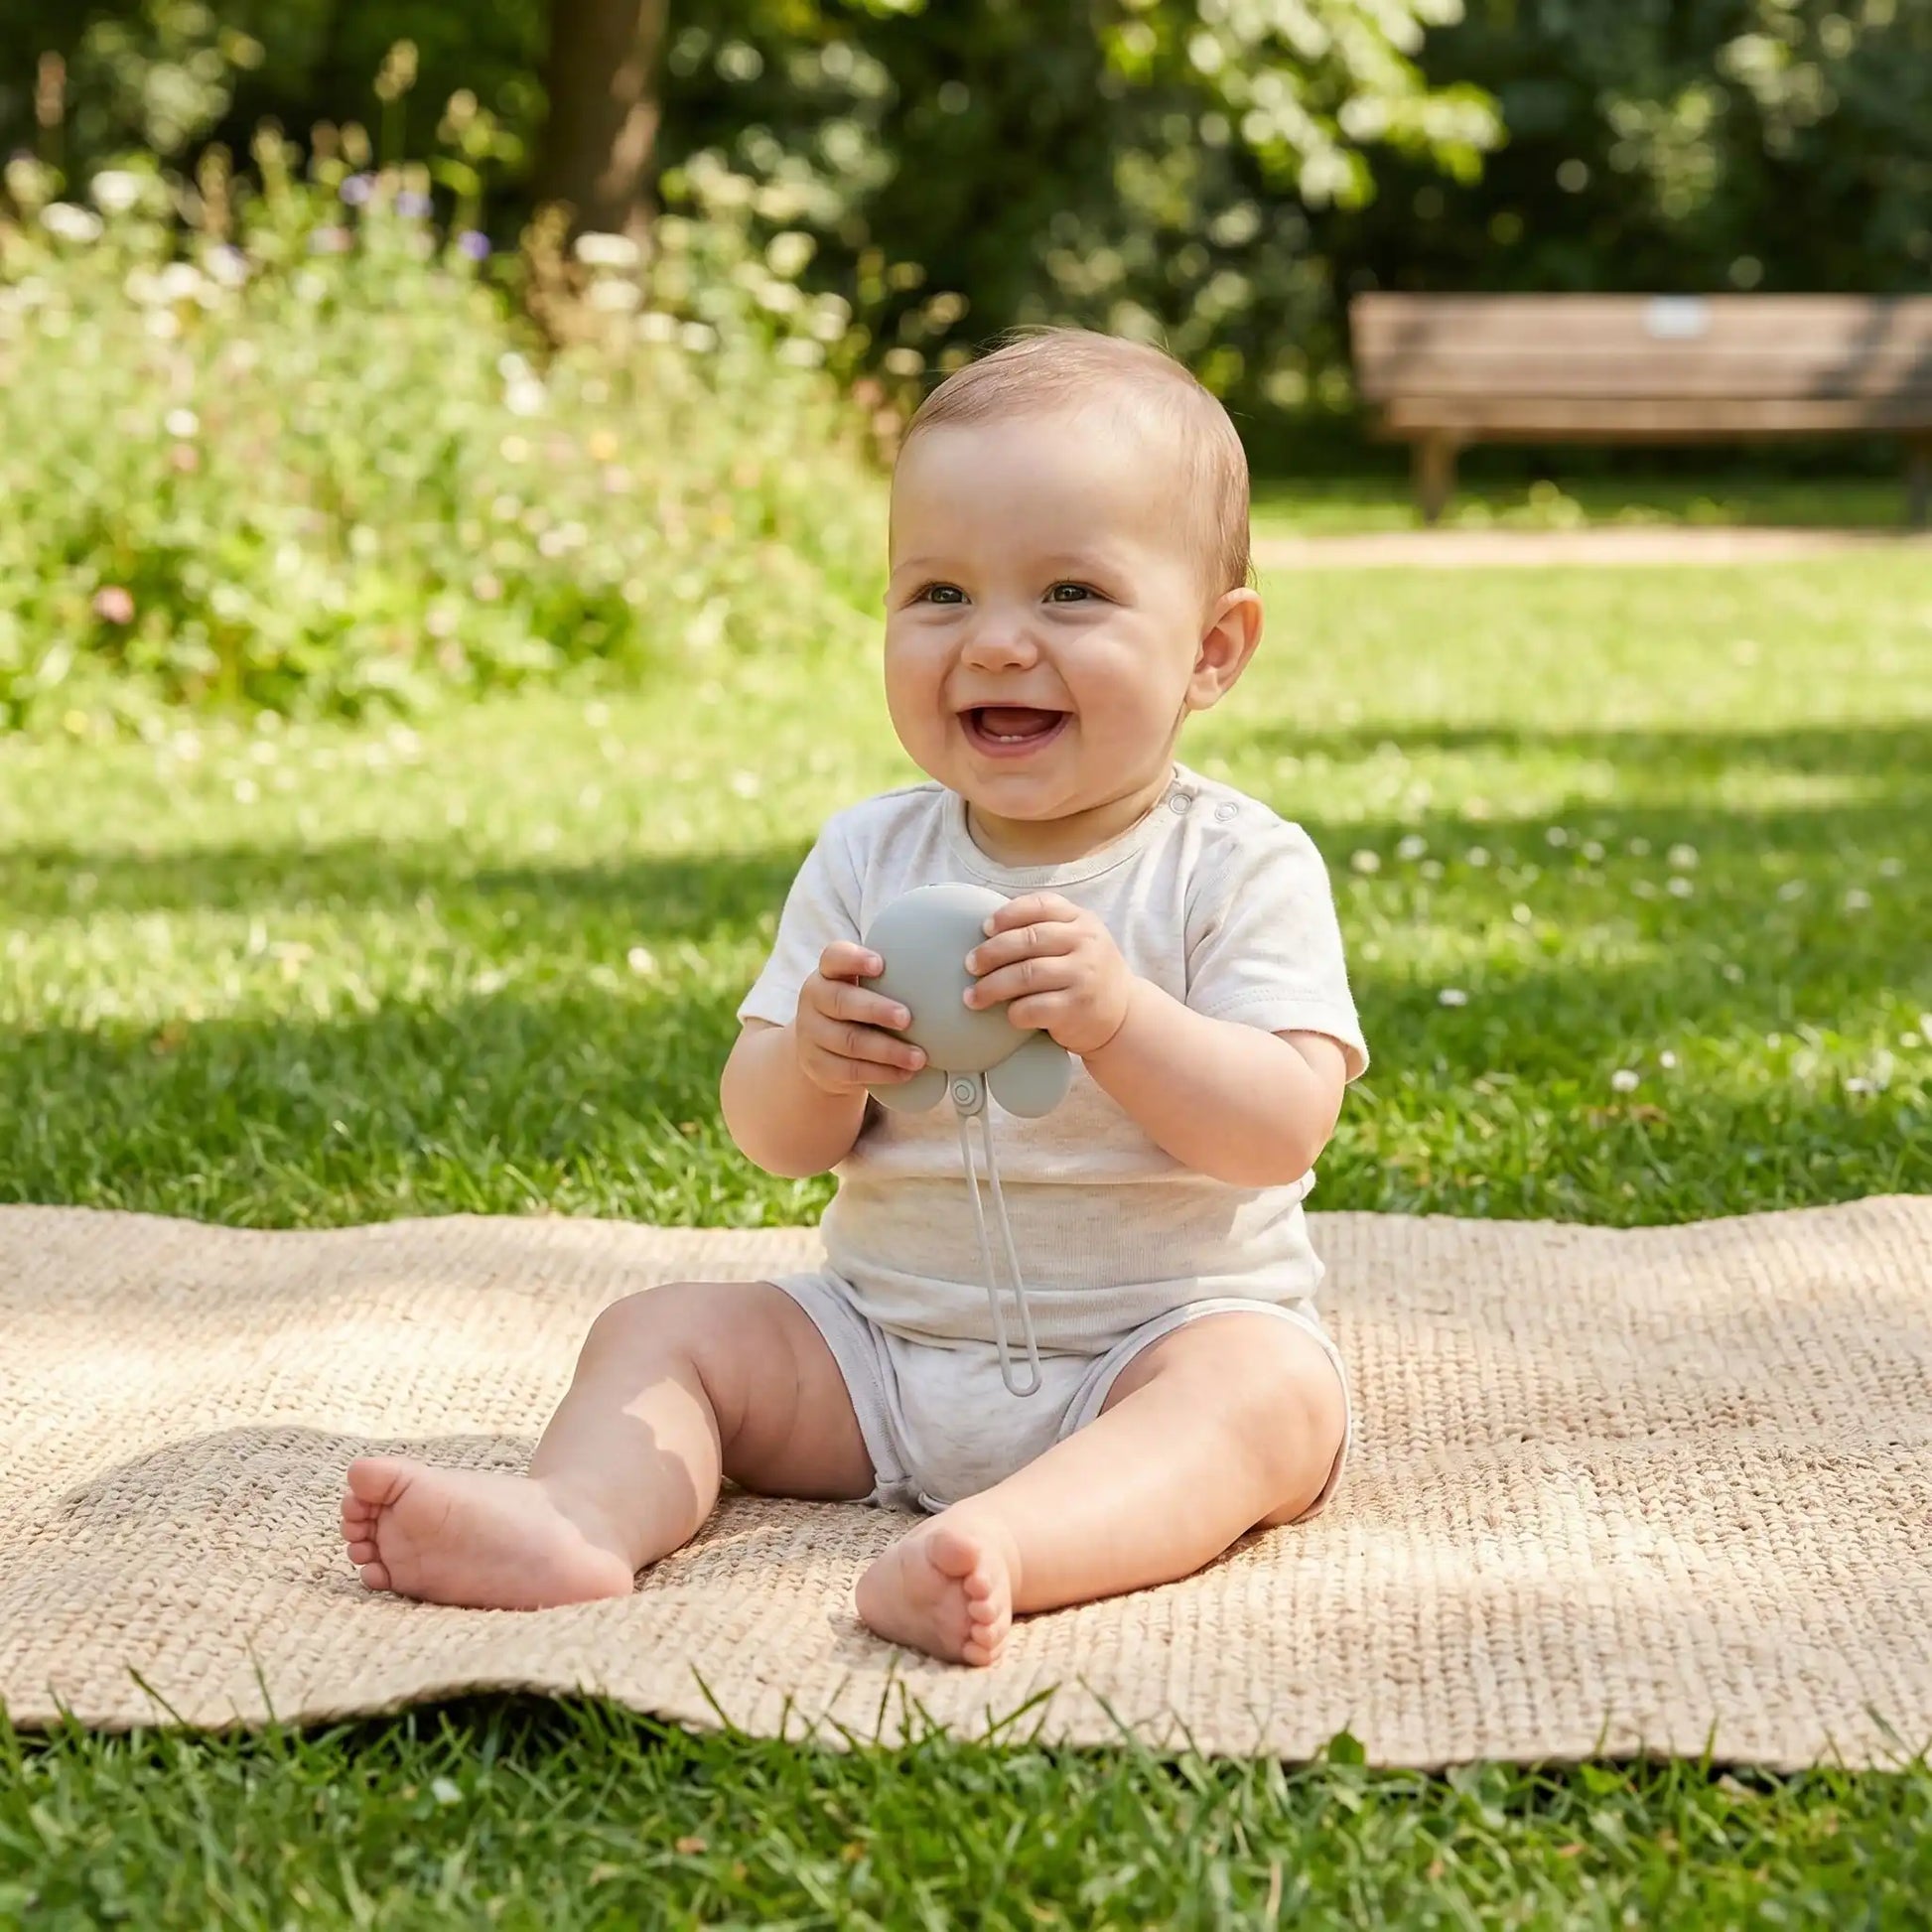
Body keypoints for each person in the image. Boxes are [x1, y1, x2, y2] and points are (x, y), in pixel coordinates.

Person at [341, 327, 1369, 1667]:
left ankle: (1007, 1545)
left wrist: (1120, 1018)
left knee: (1266, 1400)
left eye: (1069, 593)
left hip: (1149, 1341)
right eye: (938, 593)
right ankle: (577, 1517)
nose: (996, 643)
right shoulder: (871, 856)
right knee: (663, 1331)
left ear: (1210, 651)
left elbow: (1279, 1126)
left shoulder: (1229, 864)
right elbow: (772, 1139)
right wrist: (817, 1062)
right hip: (880, 1344)